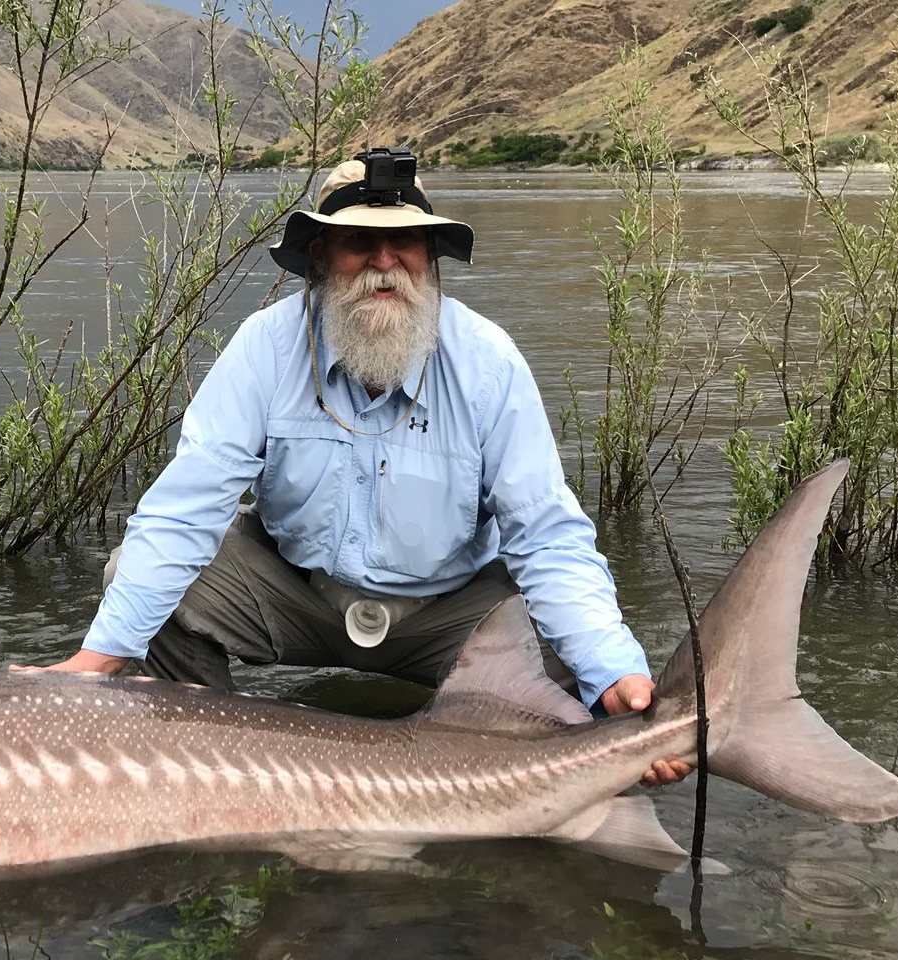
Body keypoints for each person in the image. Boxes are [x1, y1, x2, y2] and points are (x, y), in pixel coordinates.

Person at [41, 149, 689, 788]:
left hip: (448, 614)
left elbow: (547, 537)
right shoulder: (263, 349)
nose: (385, 264)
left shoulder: (489, 364)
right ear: (320, 260)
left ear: (431, 260)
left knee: (569, 660)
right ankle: (212, 772)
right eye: (359, 243)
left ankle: (541, 798)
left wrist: (616, 677)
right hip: (295, 594)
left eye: (405, 242)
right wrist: (96, 662)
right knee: (139, 574)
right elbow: (186, 505)